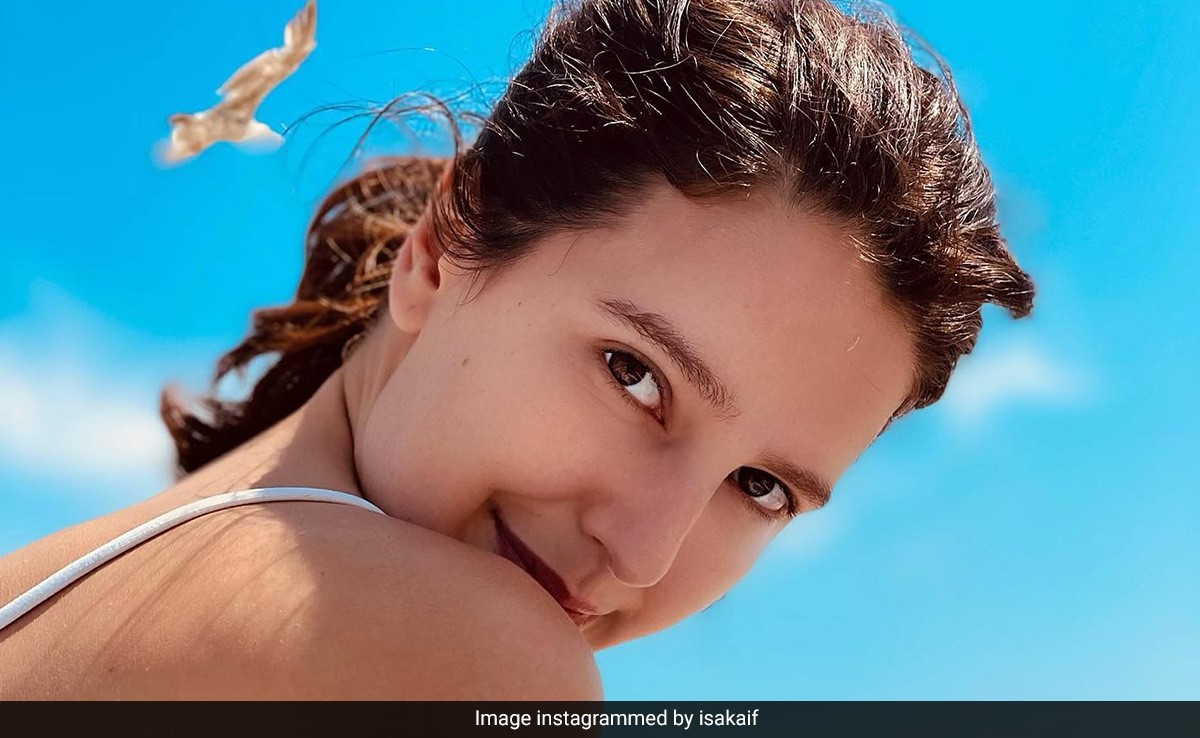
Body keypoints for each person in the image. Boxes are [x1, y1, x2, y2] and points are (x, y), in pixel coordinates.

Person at [0, 0, 1034, 699]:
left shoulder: (43, 586)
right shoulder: (472, 655)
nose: (644, 551)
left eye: (761, 486)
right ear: (444, 248)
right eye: (636, 374)